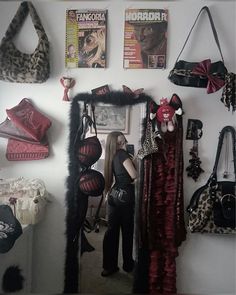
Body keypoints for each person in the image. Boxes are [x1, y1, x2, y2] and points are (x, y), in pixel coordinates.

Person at [101, 131, 137, 277]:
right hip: (125, 197)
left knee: (111, 232)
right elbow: (134, 175)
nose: (124, 144)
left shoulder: (111, 156)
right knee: (127, 232)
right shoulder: (122, 154)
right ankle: (128, 265)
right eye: (122, 141)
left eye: (124, 141)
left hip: (113, 196)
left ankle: (109, 267)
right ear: (117, 143)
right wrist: (134, 161)